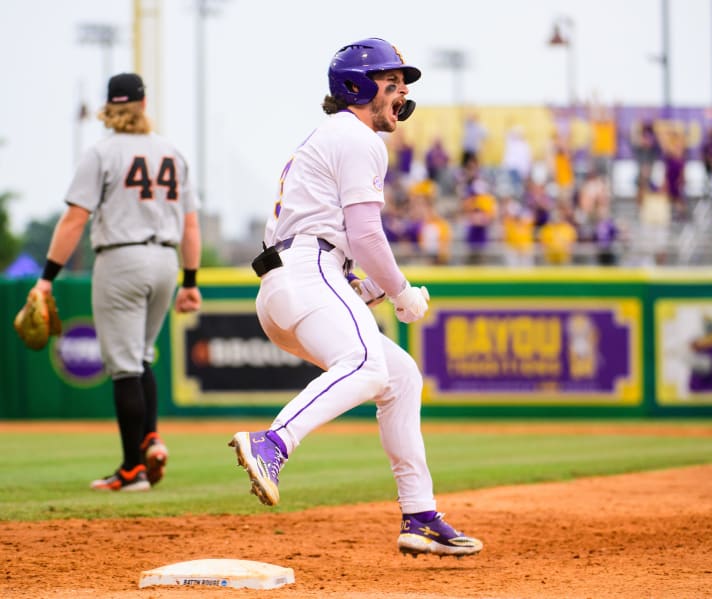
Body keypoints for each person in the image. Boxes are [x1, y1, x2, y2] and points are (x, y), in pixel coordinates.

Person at [230, 38, 482, 558]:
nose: (403, 90)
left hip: (291, 279)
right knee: (368, 365)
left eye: (402, 82)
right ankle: (272, 443)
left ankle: (420, 515)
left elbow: (343, 247)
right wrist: (402, 292)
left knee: (400, 376)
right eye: (392, 81)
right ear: (358, 86)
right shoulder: (358, 137)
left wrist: (371, 288)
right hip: (306, 269)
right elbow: (367, 237)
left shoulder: (334, 136)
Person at [29, 73, 202, 491]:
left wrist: (47, 277)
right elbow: (191, 225)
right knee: (140, 356)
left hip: (121, 259)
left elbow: (74, 220)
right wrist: (191, 281)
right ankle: (151, 438)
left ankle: (131, 470)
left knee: (124, 366)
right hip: (165, 260)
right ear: (144, 106)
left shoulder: (101, 153)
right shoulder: (172, 153)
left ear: (110, 109)